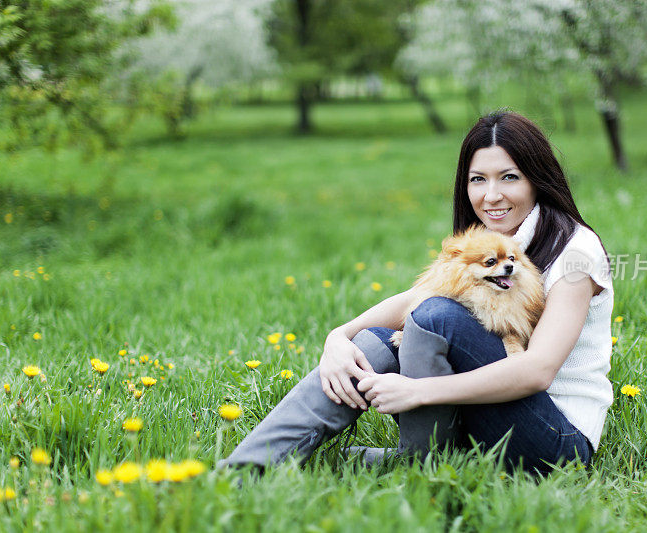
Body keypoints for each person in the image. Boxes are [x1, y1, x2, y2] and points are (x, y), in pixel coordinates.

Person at [218, 111, 613, 475]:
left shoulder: (575, 253)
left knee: (436, 316)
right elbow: (413, 299)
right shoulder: (490, 242)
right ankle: (246, 469)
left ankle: (422, 461)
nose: (491, 195)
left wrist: (418, 392)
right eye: (478, 179)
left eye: (509, 177)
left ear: (536, 178)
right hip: (494, 417)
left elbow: (537, 370)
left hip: (556, 443)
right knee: (375, 339)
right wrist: (339, 336)